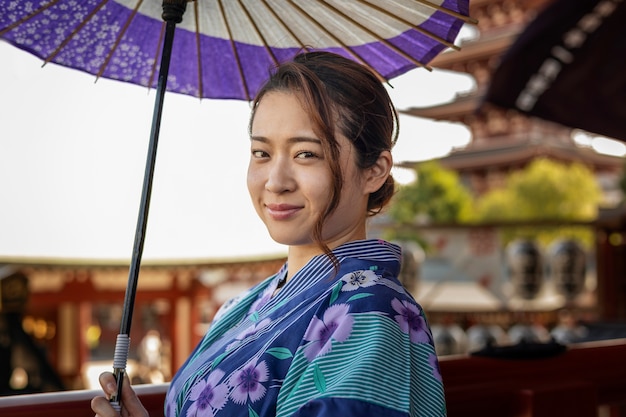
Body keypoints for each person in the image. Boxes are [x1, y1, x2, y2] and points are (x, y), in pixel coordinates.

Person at [92, 51, 446, 417]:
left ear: (374, 170)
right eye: (261, 153)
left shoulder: (371, 312)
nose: (275, 182)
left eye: (306, 154)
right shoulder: (242, 306)